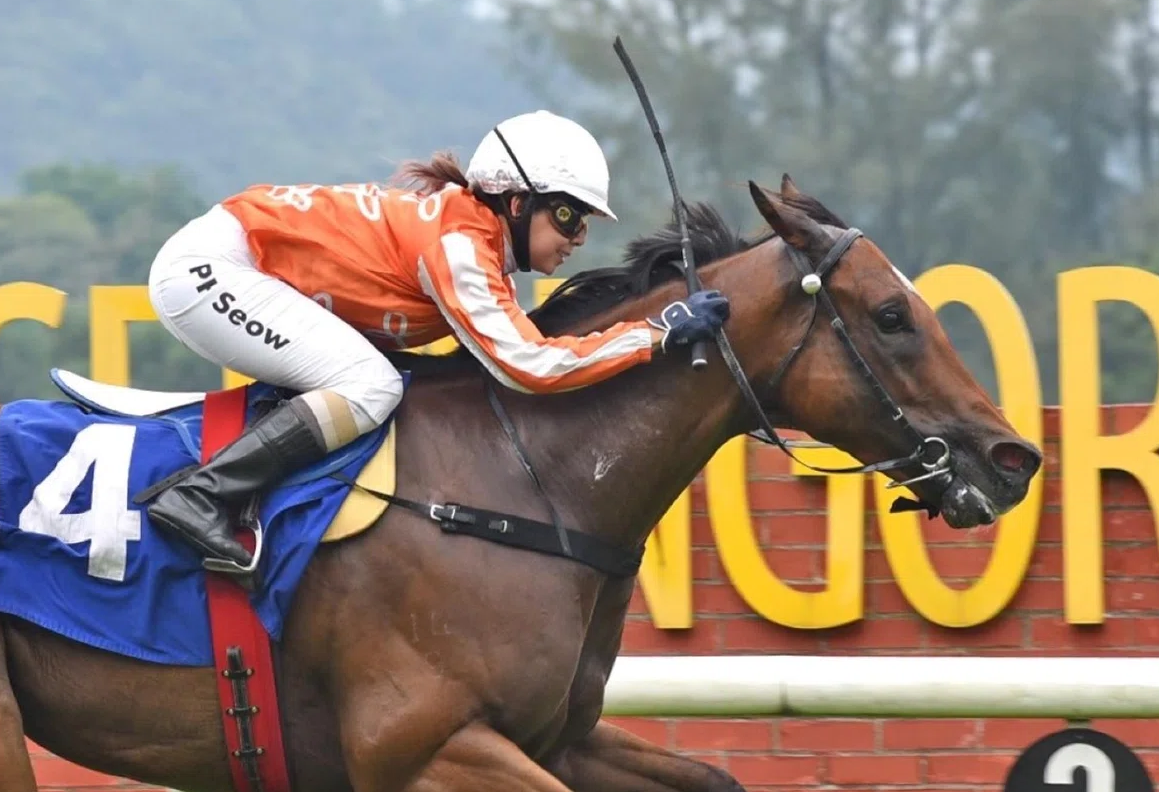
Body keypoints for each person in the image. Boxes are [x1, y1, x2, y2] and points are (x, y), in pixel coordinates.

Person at [142, 109, 731, 576]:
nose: (577, 236)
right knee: (369, 385)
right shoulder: (460, 247)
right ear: (518, 204)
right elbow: (529, 365)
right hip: (213, 270)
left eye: (583, 222)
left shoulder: (475, 244)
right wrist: (656, 333)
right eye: (568, 216)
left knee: (379, 378)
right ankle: (200, 496)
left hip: (240, 263)